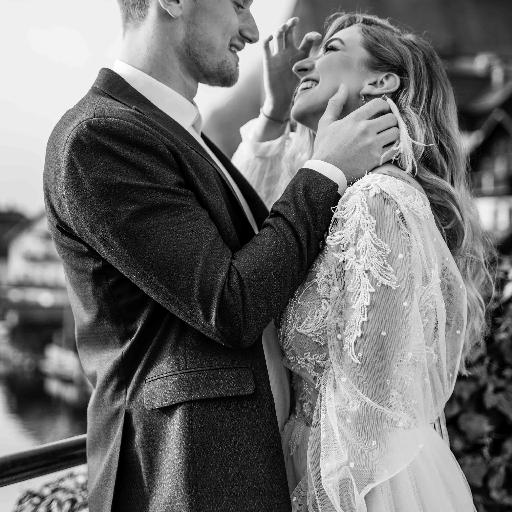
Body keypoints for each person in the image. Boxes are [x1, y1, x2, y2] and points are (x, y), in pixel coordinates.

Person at [43, 1, 399, 511]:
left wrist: (275, 116)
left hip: (250, 472)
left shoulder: (182, 133)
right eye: (237, 4)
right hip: (185, 481)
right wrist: (327, 170)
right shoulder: (101, 135)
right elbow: (230, 303)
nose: (252, 31)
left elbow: (256, 245)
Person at [233, 12, 493, 512]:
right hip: (308, 463)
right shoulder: (330, 199)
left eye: (330, 49)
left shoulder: (377, 201)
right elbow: (243, 228)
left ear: (380, 82)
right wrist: (272, 110)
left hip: (360, 485)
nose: (303, 64)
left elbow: (367, 414)